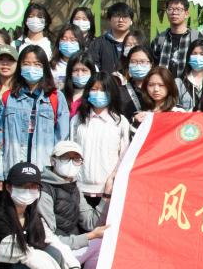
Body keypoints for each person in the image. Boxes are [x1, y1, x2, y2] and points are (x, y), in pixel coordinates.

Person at [0, 45, 70, 189]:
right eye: (26, 64)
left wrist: (60, 171)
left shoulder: (56, 97)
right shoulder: (8, 98)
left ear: (45, 68)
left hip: (45, 173)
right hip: (13, 169)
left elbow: (62, 139)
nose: (31, 68)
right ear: (19, 67)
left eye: (37, 64)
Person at [71, 73, 130, 205]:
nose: (98, 93)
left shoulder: (120, 122)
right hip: (79, 188)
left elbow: (124, 155)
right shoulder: (77, 120)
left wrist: (113, 179)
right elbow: (72, 149)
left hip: (108, 190)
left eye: (103, 90)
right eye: (94, 89)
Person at [149, 0, 199, 78]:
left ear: (186, 14)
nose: (174, 13)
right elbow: (151, 64)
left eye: (178, 9)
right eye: (170, 9)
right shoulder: (160, 38)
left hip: (187, 84)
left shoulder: (196, 37)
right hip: (164, 84)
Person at [86, 2, 135, 76]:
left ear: (131, 21)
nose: (121, 20)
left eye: (125, 16)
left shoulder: (138, 42)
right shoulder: (98, 43)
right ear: (109, 20)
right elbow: (92, 67)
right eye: (116, 16)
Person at [118, 46, 153, 123]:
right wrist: (133, 120)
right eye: (133, 62)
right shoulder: (120, 92)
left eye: (143, 61)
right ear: (128, 64)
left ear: (151, 64)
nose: (138, 65)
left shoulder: (158, 89)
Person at [175, 39, 203, 111]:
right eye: (194, 53)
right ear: (189, 56)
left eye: (202, 54)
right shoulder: (178, 82)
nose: (198, 57)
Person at [62, 53, 97, 118]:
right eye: (75, 70)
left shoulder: (95, 97)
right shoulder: (61, 95)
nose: (80, 74)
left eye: (84, 70)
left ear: (92, 72)